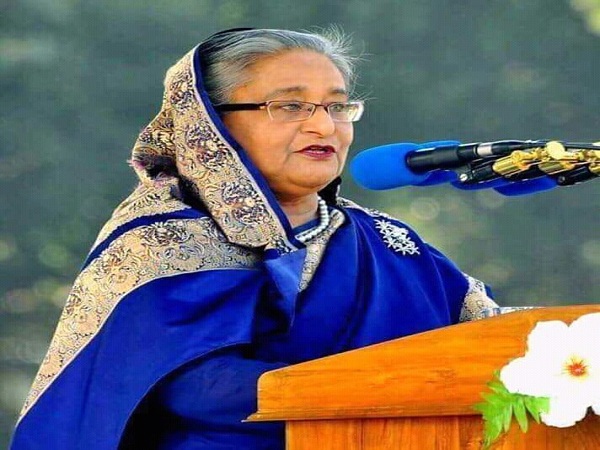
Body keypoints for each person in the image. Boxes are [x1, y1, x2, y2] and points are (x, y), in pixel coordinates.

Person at [10, 28, 497, 449]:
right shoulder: (161, 240)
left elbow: (495, 340)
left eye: (337, 105)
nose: (324, 125)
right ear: (209, 123)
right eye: (290, 106)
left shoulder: (388, 244)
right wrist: (397, 385)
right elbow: (200, 388)